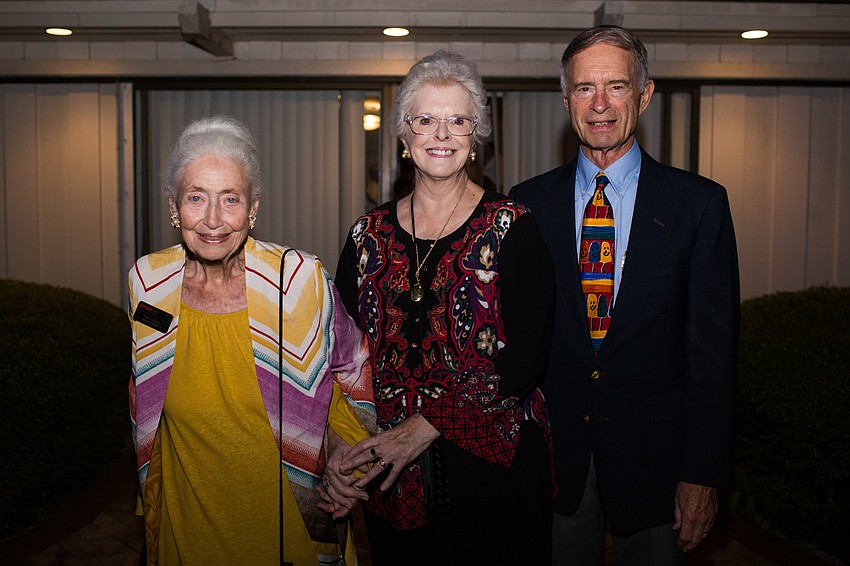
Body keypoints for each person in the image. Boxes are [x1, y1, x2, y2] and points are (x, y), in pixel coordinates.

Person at [510, 25, 740, 565]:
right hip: (555, 463)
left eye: (616, 86)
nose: (600, 105)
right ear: (566, 99)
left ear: (645, 93)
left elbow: (713, 353)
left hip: (658, 466)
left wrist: (702, 474)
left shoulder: (698, 205)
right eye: (584, 89)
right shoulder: (525, 205)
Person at [331, 50, 556, 565]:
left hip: (495, 475)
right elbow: (342, 356)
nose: (441, 134)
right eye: (425, 120)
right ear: (404, 137)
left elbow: (528, 355)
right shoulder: (365, 237)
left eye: (458, 120)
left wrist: (423, 427)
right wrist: (341, 446)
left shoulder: (512, 227)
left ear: (476, 138)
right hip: (391, 474)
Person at [128, 115, 376, 565]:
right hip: (186, 527)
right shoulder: (147, 282)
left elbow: (354, 370)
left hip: (287, 526)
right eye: (196, 197)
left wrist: (349, 465)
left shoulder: (299, 280)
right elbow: (144, 393)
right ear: (173, 207)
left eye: (231, 199)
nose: (212, 220)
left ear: (254, 208)